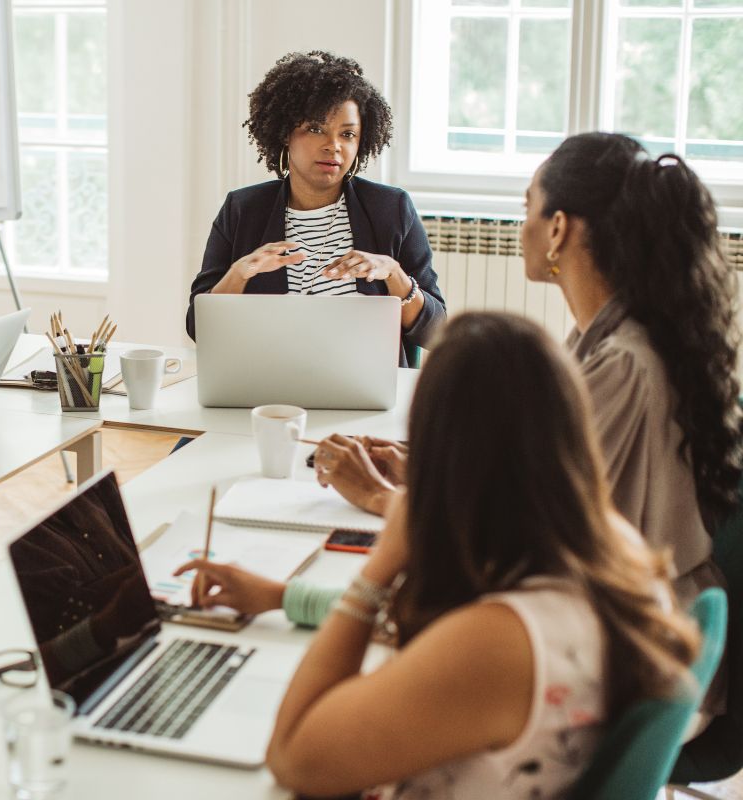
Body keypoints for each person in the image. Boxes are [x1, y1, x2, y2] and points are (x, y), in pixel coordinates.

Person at [197, 312, 700, 798]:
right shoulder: (610, 544)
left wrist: (380, 564)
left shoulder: (501, 643)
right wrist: (286, 597)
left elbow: (293, 757)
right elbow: (444, 642)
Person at [314, 132, 740, 608]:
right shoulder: (597, 338)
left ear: (557, 229)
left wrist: (378, 497)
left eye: (527, 207)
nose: (522, 227)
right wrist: (423, 474)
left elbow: (528, 539)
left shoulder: (624, 364)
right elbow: (539, 487)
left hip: (634, 629)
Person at [185, 51, 445, 367]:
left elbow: (436, 332)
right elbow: (199, 328)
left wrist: (394, 274)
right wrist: (238, 275)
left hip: (364, 389)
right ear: (285, 133)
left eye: (347, 134)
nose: (333, 145)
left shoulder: (391, 209)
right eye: (316, 128)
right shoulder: (242, 211)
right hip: (268, 387)